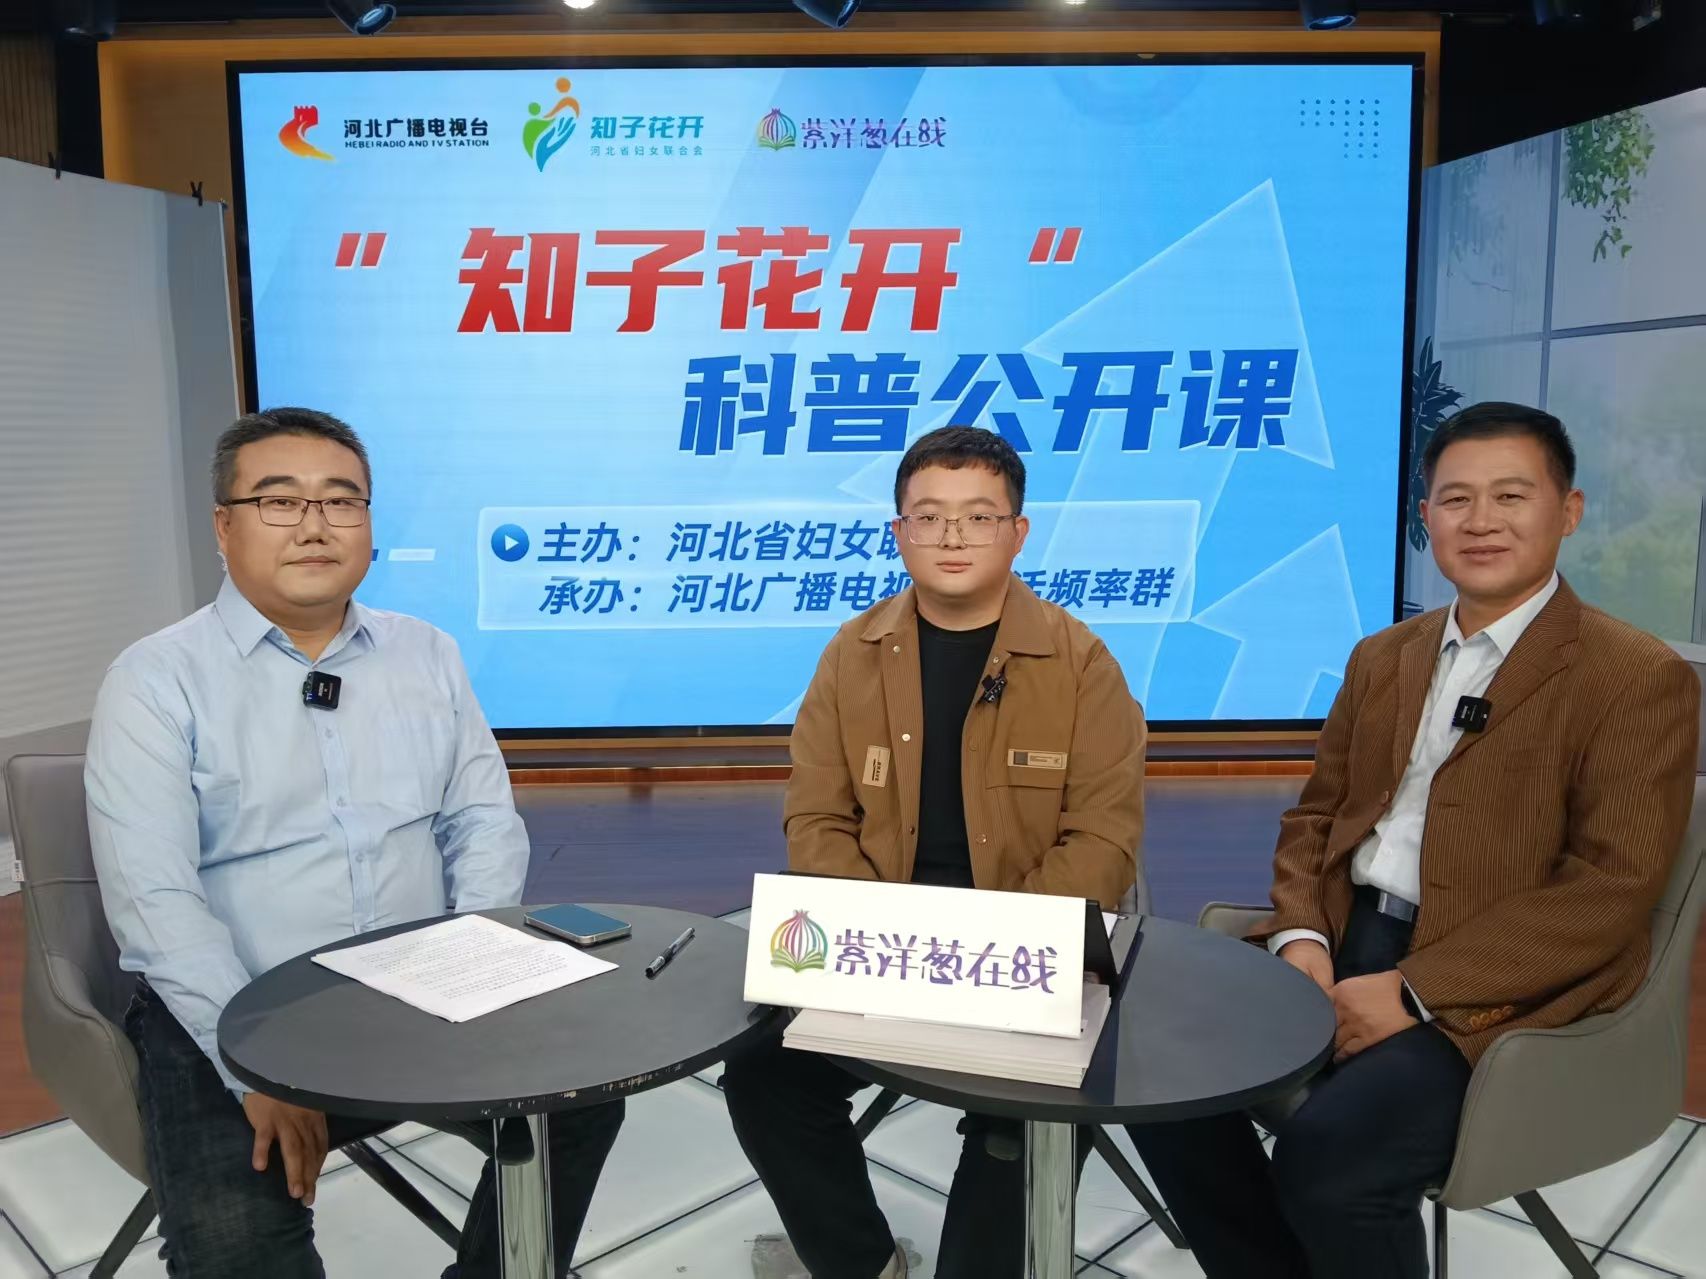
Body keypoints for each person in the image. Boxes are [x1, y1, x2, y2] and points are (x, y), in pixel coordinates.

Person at [1127, 402, 1700, 1279]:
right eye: (1456, 499)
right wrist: (1301, 937)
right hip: (1348, 935)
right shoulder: (1382, 656)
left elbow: (1609, 891)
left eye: (1511, 495)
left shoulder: (1634, 676)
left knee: (1331, 1163)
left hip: (1498, 987)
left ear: (1568, 511)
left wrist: (1415, 990)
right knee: (1151, 1068)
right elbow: (1315, 819)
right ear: (1426, 516)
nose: (1481, 520)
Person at [86, 408, 625, 1278]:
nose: (314, 525)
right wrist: (253, 1067)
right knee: (239, 1251)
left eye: (341, 500)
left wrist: (475, 960)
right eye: (279, 500)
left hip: (423, 979)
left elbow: (482, 822)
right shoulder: (156, 679)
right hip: (240, 1005)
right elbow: (154, 898)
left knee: (583, 1096)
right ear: (223, 525)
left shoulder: (426, 652)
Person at [721, 427, 1146, 1279]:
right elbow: (816, 818)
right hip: (885, 950)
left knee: (1024, 1122)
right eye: (929, 515)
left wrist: (985, 952)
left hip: (1020, 957)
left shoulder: (1081, 663)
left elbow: (1102, 841)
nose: (952, 536)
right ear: (898, 531)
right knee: (763, 1078)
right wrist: (893, 940)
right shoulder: (851, 653)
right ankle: (865, 1262)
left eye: (979, 516)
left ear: (1018, 533)